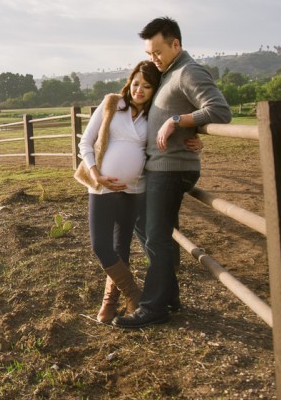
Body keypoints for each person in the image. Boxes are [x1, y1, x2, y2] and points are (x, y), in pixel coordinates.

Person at [114, 16, 231, 329]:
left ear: (176, 44)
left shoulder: (188, 71)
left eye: (158, 52)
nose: (153, 58)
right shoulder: (168, 74)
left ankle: (154, 307)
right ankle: (168, 295)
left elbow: (220, 110)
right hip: (161, 167)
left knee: (156, 236)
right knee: (147, 228)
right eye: (150, 53)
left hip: (172, 168)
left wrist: (178, 122)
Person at [76, 61, 201, 323]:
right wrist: (96, 173)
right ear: (129, 82)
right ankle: (133, 292)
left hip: (134, 189)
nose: (139, 90)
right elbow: (86, 141)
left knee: (120, 247)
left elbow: (175, 133)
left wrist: (196, 138)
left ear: (154, 89)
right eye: (136, 83)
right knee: (101, 245)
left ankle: (110, 301)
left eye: (146, 86)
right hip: (102, 187)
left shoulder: (154, 115)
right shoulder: (112, 104)